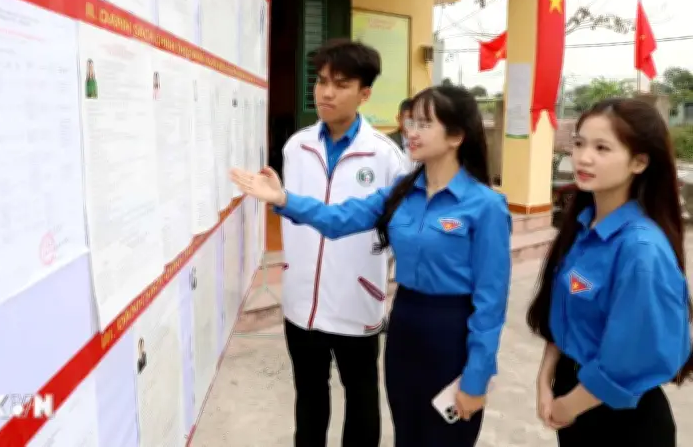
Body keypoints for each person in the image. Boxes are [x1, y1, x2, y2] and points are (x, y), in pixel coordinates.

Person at [231, 84, 512, 447]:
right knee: (406, 433)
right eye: (411, 122)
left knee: (445, 437)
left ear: (456, 136)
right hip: (405, 324)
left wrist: (477, 376)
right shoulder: (401, 192)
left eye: (425, 124)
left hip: (452, 331)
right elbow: (338, 219)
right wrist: (283, 198)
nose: (411, 132)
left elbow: (491, 302)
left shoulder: (485, 206)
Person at [526, 98, 693, 447]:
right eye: (579, 143)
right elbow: (564, 314)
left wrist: (569, 405)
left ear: (639, 162)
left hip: (620, 420)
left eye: (602, 148)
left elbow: (632, 358)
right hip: (574, 396)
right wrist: (545, 376)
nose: (583, 158)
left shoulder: (641, 250)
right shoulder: (583, 227)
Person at [265, 39, 407, 447]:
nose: (326, 93)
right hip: (302, 300)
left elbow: (393, 232)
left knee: (361, 398)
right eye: (321, 81)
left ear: (365, 94)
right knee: (309, 397)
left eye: (341, 84)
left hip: (355, 298)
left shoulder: (386, 157)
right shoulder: (297, 146)